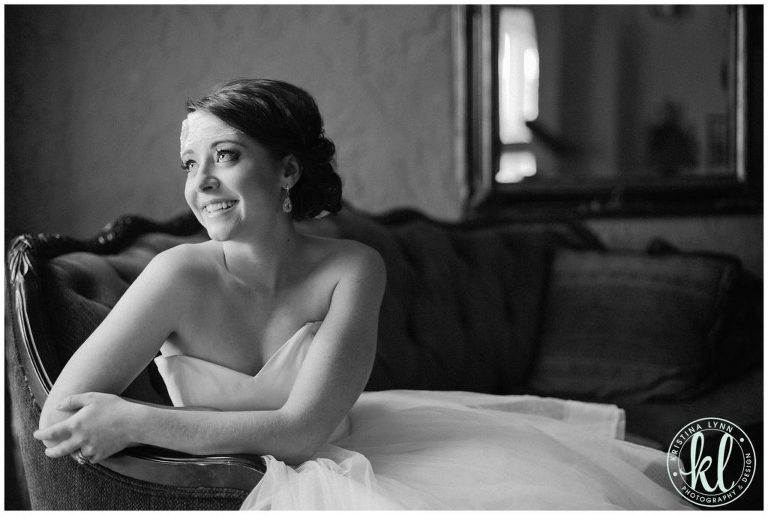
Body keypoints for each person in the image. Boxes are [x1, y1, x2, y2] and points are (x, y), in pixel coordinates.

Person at [35, 79, 690, 510]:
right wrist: (112, 420)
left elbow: (301, 433)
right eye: (188, 163)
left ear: (287, 169)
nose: (200, 182)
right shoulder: (177, 275)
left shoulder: (354, 266)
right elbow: (55, 415)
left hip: (356, 460)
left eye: (225, 155)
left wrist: (138, 419)